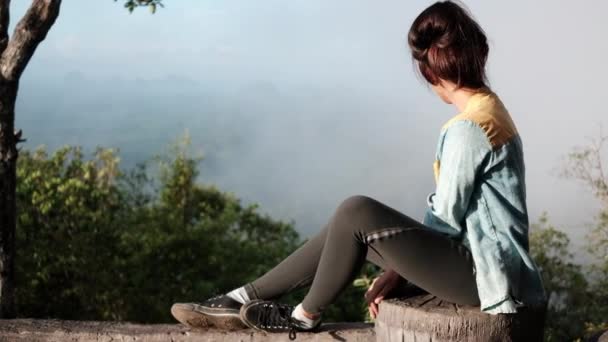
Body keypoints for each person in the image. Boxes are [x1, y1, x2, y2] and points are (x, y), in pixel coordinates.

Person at [170, 1, 547, 339]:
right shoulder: (491, 111)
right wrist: (403, 262)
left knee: (356, 212)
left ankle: (303, 316)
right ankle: (241, 299)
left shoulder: (468, 129)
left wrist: (403, 266)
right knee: (347, 224)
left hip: (485, 278)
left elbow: (446, 220)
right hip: (490, 268)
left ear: (430, 72)